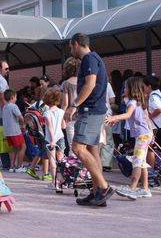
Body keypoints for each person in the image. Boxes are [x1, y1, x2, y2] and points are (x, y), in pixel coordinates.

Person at [64, 33, 114, 207]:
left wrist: (74, 105)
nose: (71, 50)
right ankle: (96, 193)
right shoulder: (95, 58)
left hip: (91, 110)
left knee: (78, 148)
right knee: (93, 151)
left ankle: (104, 187)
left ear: (76, 44)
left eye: (71, 47)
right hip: (95, 110)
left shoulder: (88, 59)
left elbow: (90, 84)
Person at [106, 77, 153, 200]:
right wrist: (152, 134)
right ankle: (145, 188)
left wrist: (113, 118)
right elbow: (147, 119)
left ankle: (132, 188)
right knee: (141, 162)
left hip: (142, 136)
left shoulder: (132, 102)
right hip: (146, 134)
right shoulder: (141, 102)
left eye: (125, 87)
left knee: (137, 162)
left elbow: (127, 115)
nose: (124, 89)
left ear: (131, 89)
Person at [143, 76, 161, 166]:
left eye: (144, 86)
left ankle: (150, 171)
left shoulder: (153, 97)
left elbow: (159, 109)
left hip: (156, 127)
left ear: (149, 86)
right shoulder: (158, 94)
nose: (143, 88)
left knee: (150, 149)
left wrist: (149, 117)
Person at [43, 88, 66, 189]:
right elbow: (64, 126)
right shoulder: (61, 111)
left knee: (52, 162)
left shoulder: (47, 113)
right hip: (60, 136)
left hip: (50, 139)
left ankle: (54, 181)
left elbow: (50, 127)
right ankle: (62, 181)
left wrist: (52, 140)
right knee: (61, 161)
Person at [2, 89, 26, 173]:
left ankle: (12, 167)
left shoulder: (4, 107)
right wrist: (23, 125)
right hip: (15, 131)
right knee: (22, 146)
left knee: (13, 149)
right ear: (12, 97)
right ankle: (19, 166)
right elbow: (20, 117)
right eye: (15, 97)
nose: (16, 99)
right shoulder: (14, 106)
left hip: (7, 132)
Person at [61, 57, 79, 156]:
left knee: (72, 146)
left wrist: (62, 120)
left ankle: (74, 169)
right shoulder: (85, 82)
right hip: (83, 116)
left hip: (70, 118)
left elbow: (65, 104)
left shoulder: (66, 84)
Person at [101, 82, 116, 171]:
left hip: (92, 114)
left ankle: (96, 161)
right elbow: (112, 100)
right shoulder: (107, 84)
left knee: (96, 139)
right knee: (108, 139)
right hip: (106, 114)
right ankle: (106, 163)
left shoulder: (87, 81)